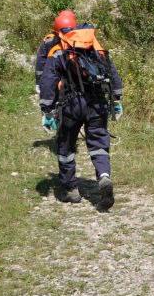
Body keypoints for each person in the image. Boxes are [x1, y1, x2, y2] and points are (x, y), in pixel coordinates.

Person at [39, 22, 123, 211]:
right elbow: (113, 73)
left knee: (66, 144)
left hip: (71, 104)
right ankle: (103, 176)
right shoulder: (94, 45)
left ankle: (71, 189)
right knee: (99, 142)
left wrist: (47, 110)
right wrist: (116, 100)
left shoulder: (58, 50)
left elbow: (47, 81)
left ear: (59, 31)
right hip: (98, 104)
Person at [35, 10, 76, 96]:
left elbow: (41, 61)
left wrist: (39, 82)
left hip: (52, 74)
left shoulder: (49, 40)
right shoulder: (77, 39)